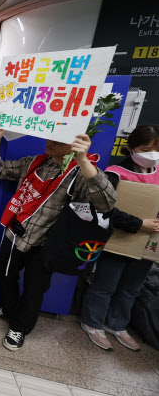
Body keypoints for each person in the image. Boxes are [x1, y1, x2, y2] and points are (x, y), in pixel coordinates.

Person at [0, 127, 117, 351]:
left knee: (35, 288)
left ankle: (20, 327)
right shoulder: (35, 162)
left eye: (61, 139)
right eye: (52, 135)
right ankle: (8, 309)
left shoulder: (80, 172)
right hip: (15, 232)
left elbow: (107, 202)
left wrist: (83, 159)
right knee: (4, 275)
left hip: (47, 242)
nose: (51, 142)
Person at [81, 125, 159, 351]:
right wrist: (138, 223)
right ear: (131, 148)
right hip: (119, 239)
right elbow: (103, 208)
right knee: (105, 284)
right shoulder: (116, 173)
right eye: (146, 149)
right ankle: (92, 322)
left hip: (148, 244)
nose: (152, 154)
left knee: (131, 287)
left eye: (156, 149)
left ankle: (117, 323)